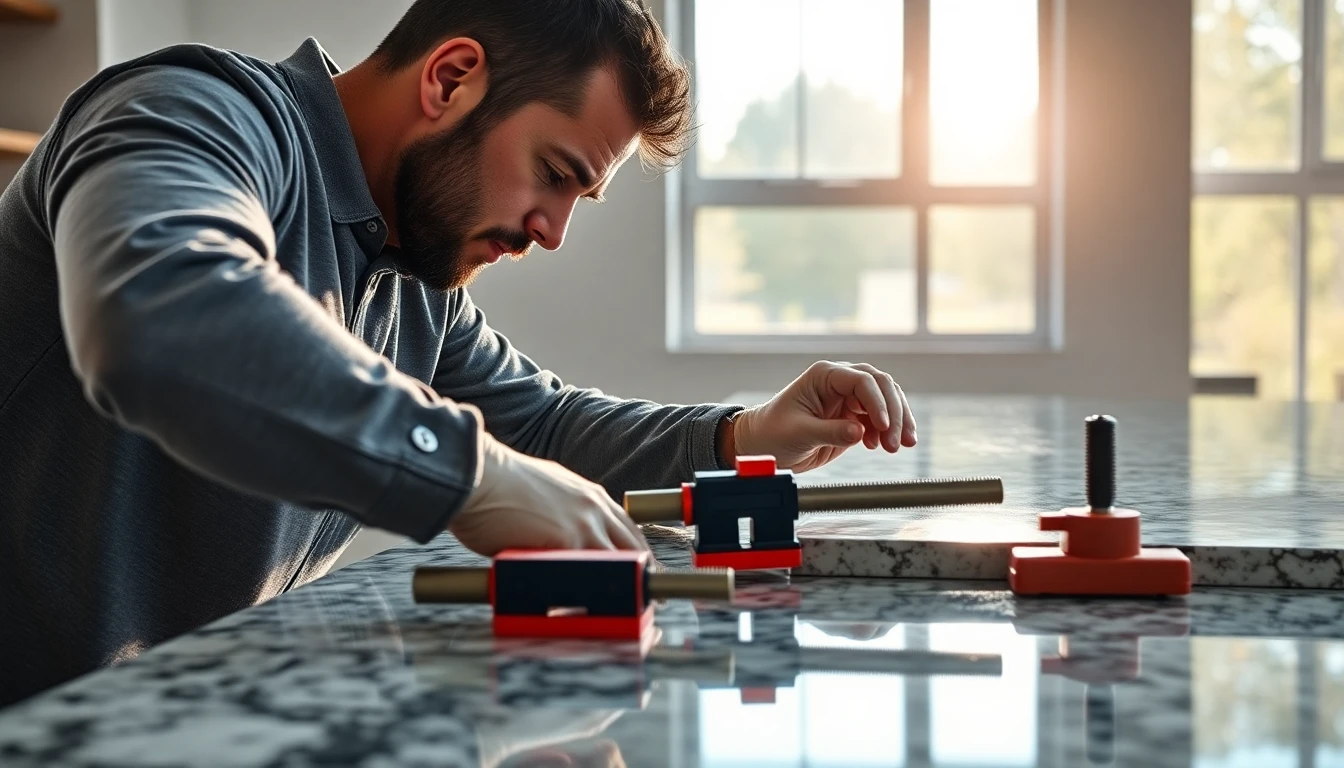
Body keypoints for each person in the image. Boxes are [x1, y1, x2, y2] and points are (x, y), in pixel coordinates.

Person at [0, 0, 916, 707]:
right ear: (451, 78)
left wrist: (746, 433)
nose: (551, 231)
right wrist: (474, 476)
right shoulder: (190, 112)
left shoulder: (411, 282)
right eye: (556, 174)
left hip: (164, 715)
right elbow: (157, 314)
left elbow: (547, 426)